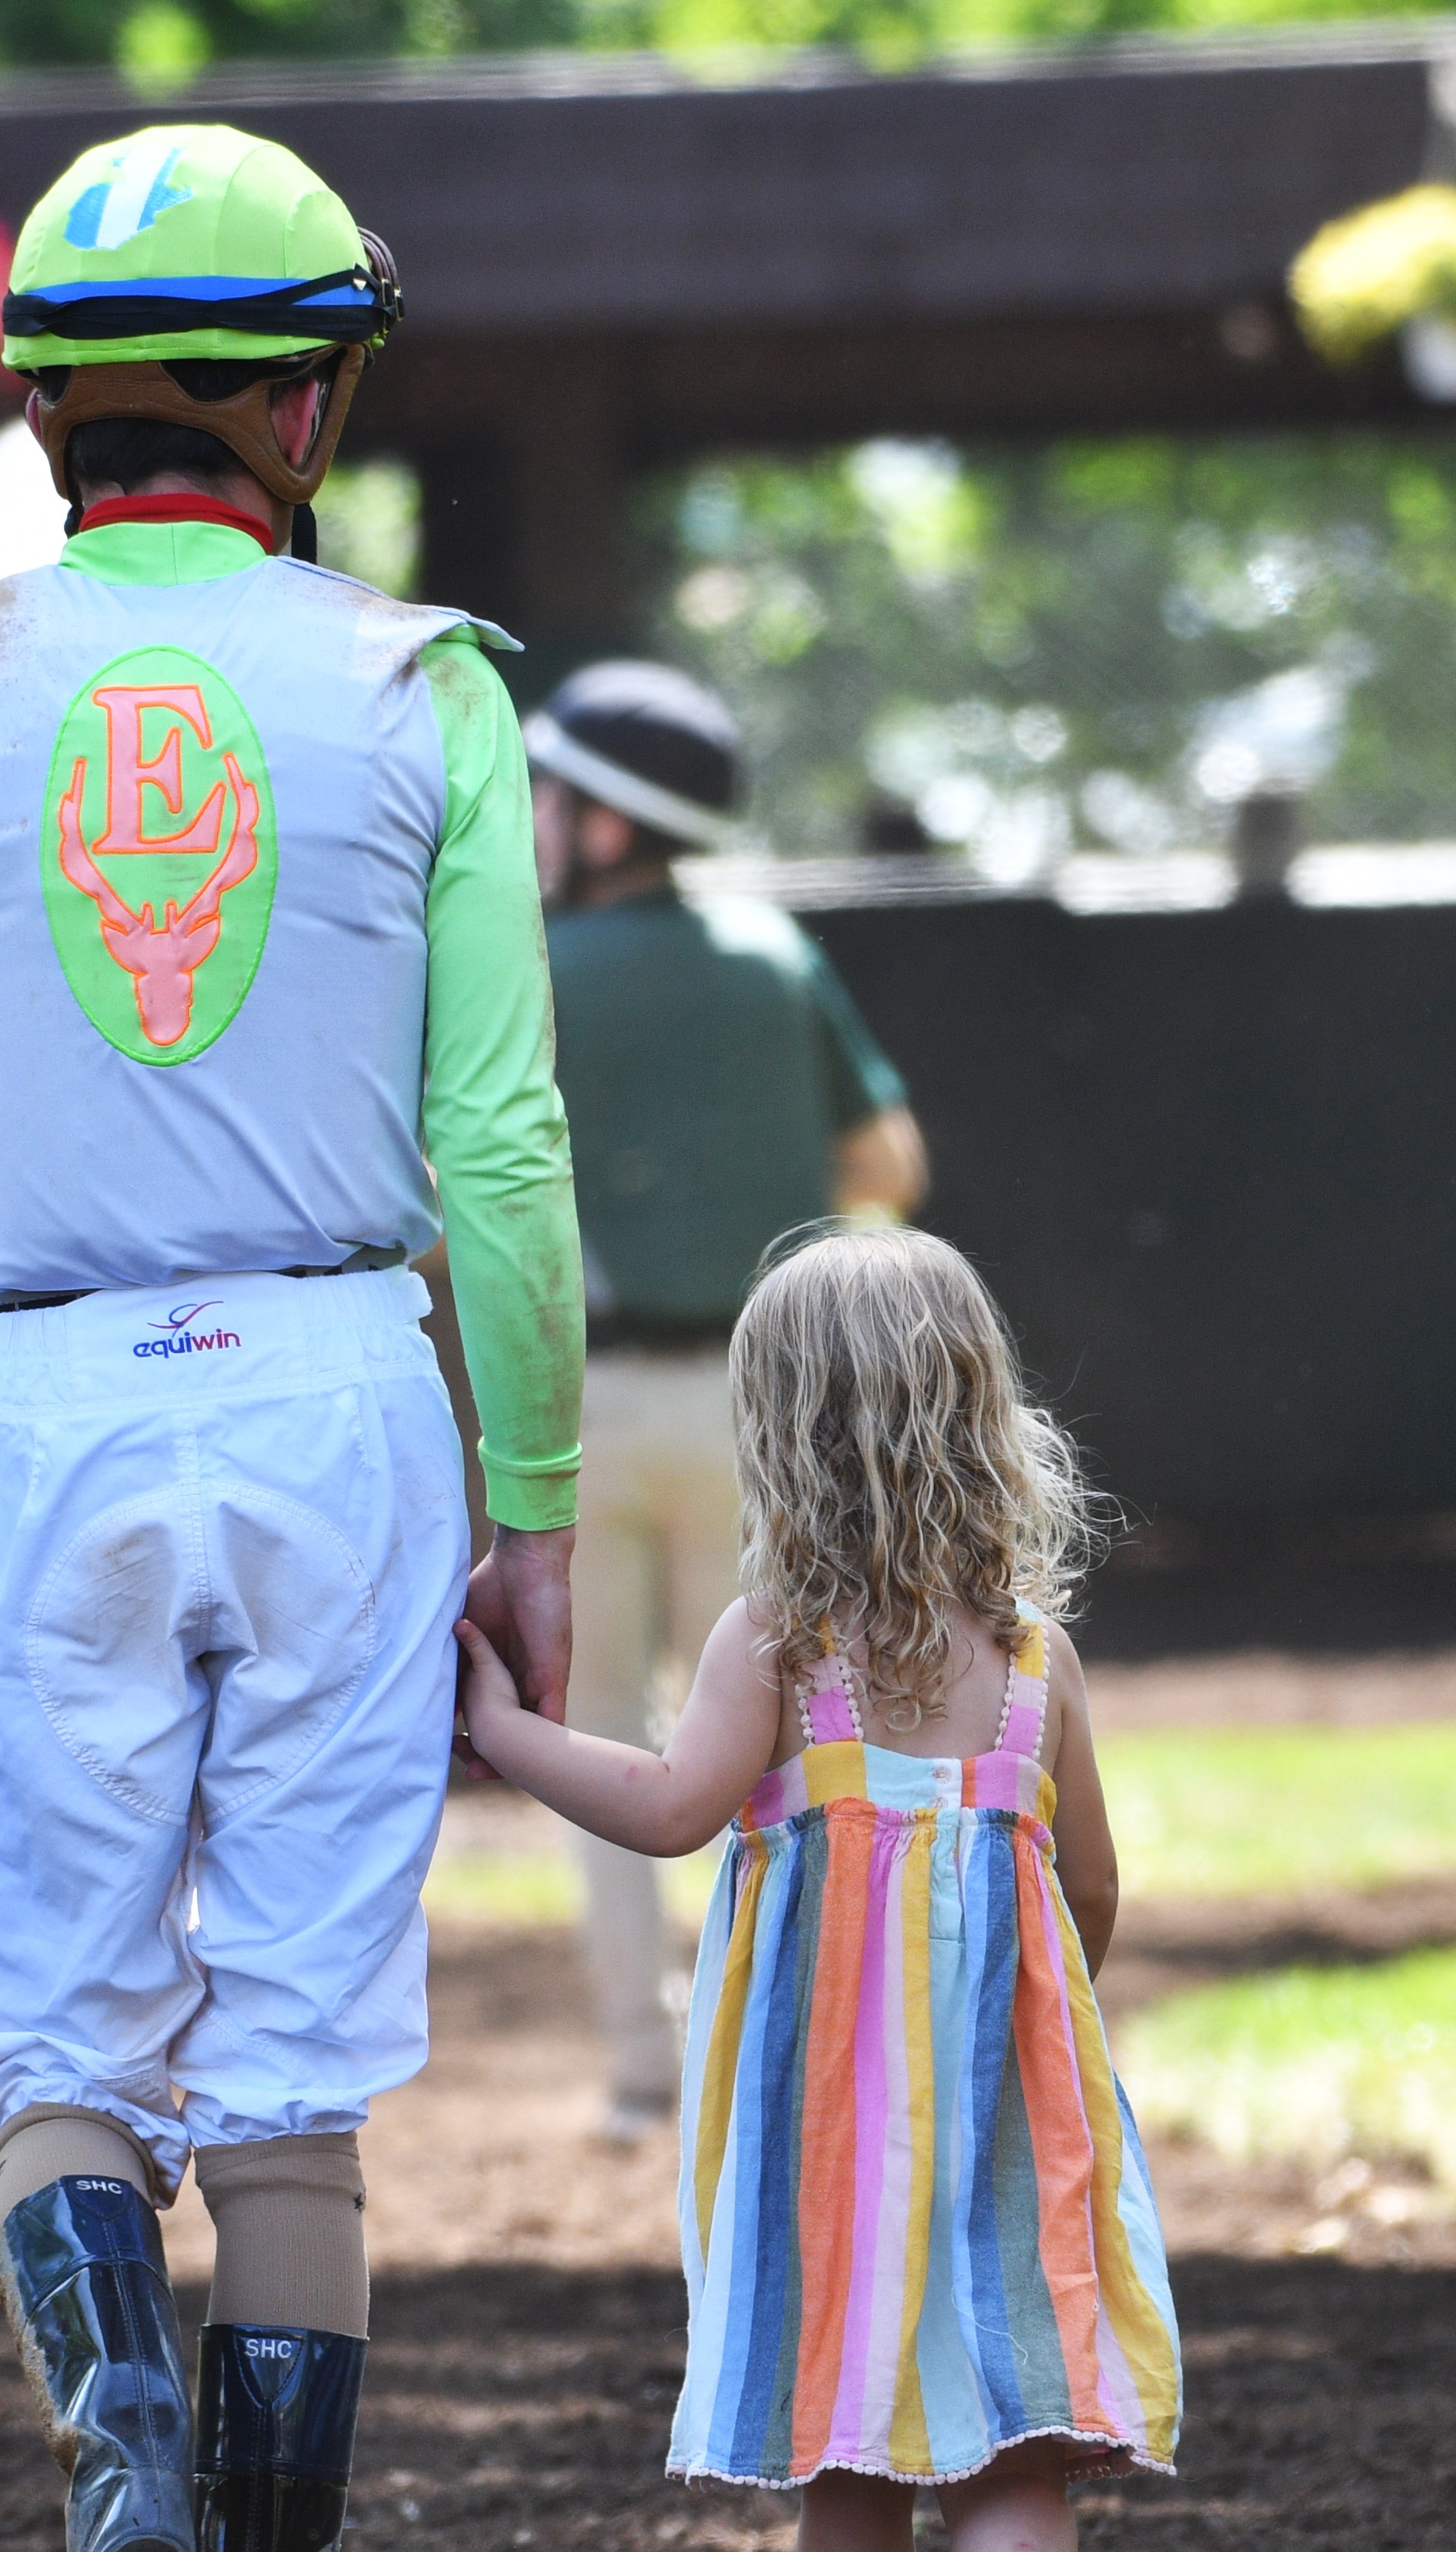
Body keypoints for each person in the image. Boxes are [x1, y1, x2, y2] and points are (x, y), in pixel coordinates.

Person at [0, 123, 585, 2552]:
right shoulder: (428, 684)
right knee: (300, 2105)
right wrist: (533, 1496)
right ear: (307, 399)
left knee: (53, 2057)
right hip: (345, 1398)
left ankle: (108, 2414)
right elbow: (499, 1146)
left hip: (40, 1405)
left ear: (46, 417)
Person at [452, 1227, 1177, 2552]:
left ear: (774, 1431)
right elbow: (1093, 1884)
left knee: (848, 2451)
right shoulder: (1033, 1658)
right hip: (1004, 2105)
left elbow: (665, 1805)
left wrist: (503, 1727)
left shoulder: (778, 1641)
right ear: (984, 1411)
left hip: (835, 2131)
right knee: (1014, 2431)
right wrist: (1042, 2044)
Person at [529, 656, 926, 2136]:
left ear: (611, 827)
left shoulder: (532, 968)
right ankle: (786, 2053)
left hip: (587, 1417)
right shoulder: (772, 957)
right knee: (788, 1735)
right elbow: (889, 1167)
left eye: (555, 797)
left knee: (604, 1745)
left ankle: (643, 2073)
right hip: (769, 1424)